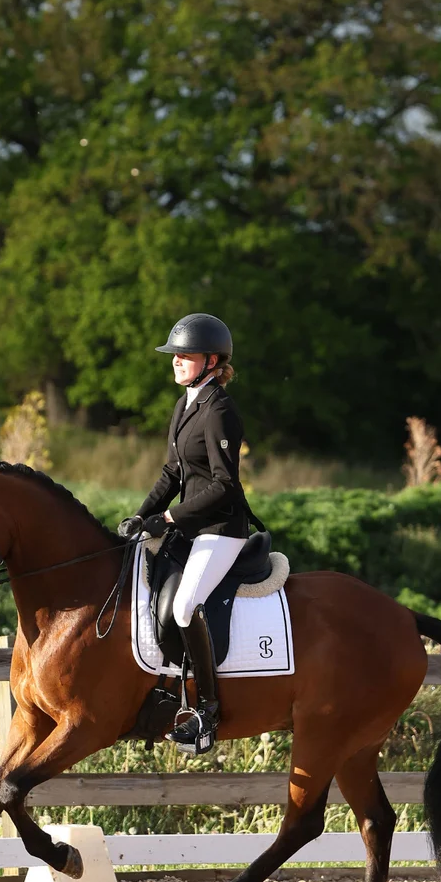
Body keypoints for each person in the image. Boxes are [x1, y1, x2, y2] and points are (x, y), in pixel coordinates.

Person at [118, 313, 252, 754]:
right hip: (190, 528)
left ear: (211, 361)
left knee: (185, 605)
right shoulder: (185, 405)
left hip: (220, 529)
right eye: (173, 355)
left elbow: (224, 485)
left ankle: (208, 710)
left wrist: (171, 519)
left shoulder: (220, 411)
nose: (175, 361)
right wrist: (141, 517)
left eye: (184, 356)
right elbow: (172, 473)